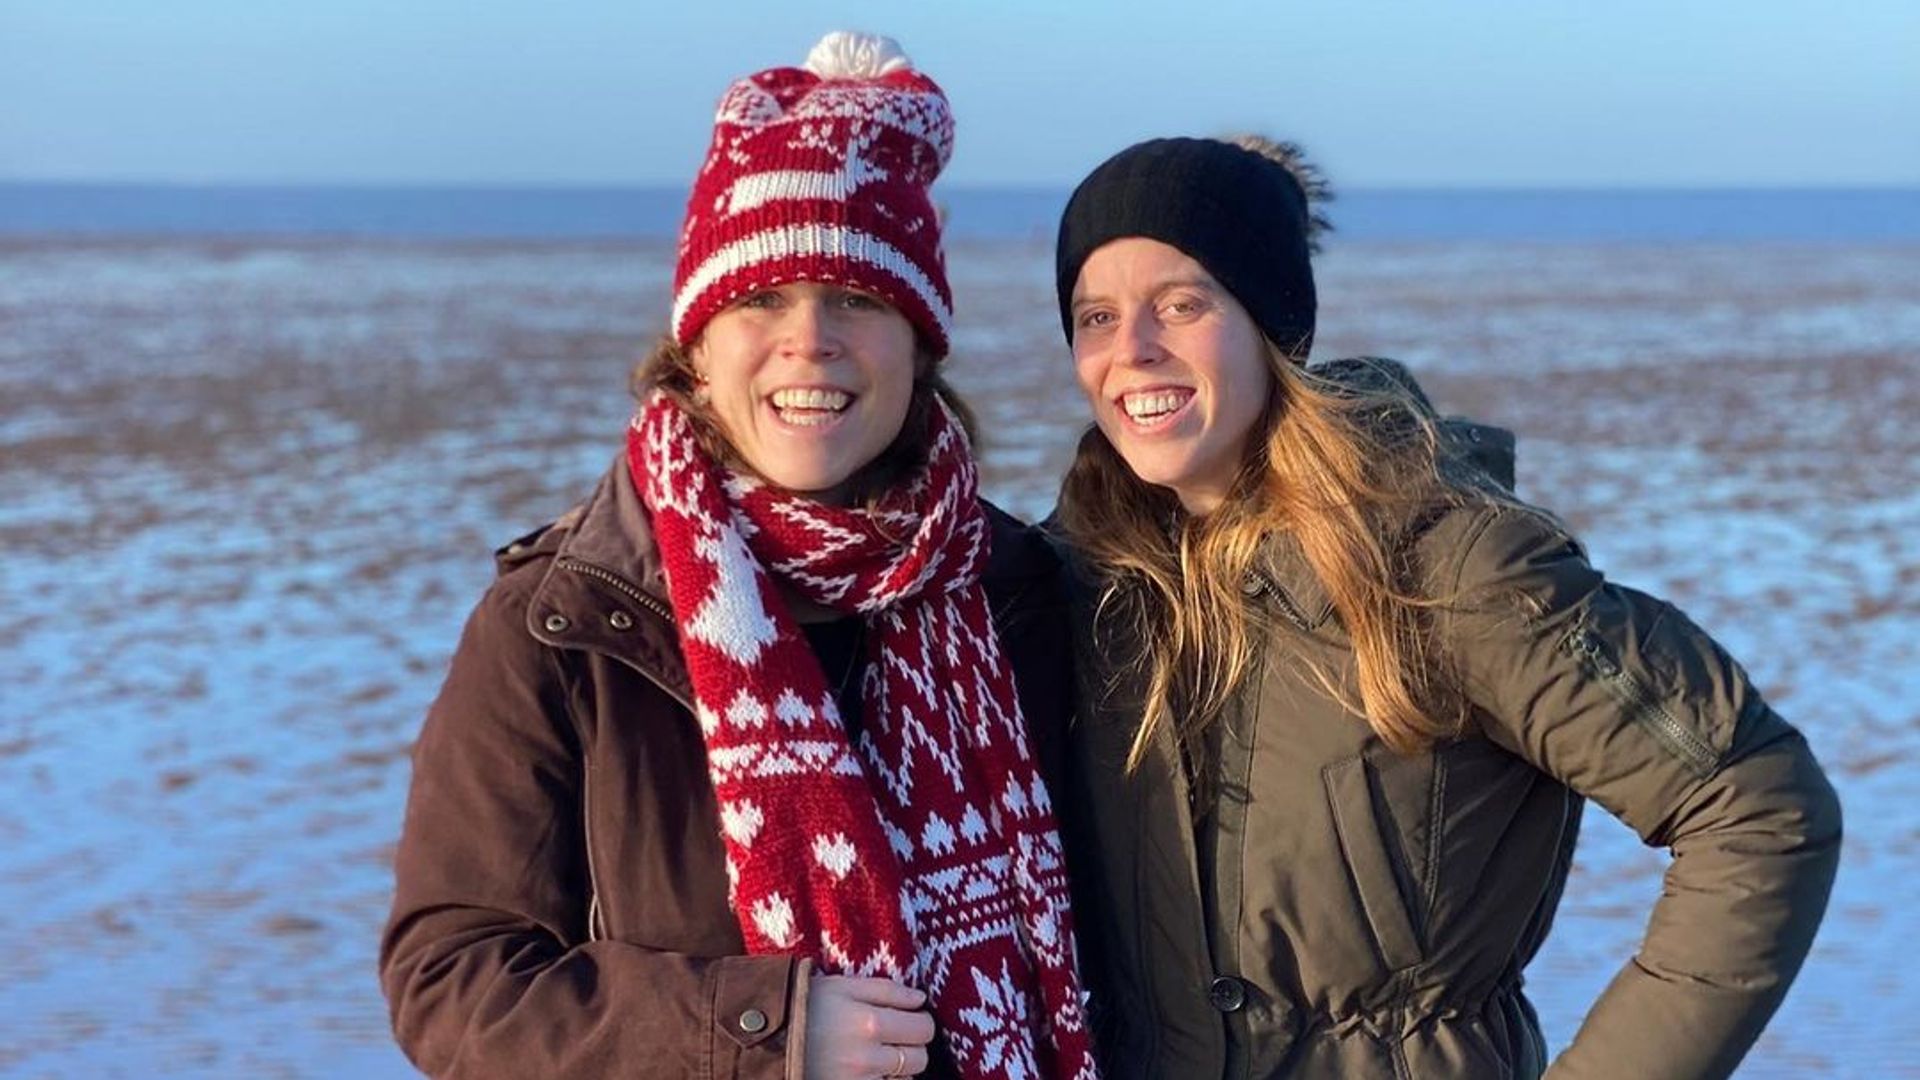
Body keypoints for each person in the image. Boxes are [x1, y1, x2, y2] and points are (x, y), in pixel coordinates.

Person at [380, 32, 1099, 1080]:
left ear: (918, 346)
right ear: (697, 352)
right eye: (761, 300)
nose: (810, 339)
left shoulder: (1020, 594)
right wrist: (763, 1029)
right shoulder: (566, 625)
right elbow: (452, 980)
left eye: (857, 299)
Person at [1046, 135, 1841, 1078]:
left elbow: (1753, 801)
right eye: (1096, 315)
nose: (1131, 350)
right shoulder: (1075, 588)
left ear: (1270, 326)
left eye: (1182, 304)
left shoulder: (1444, 566)